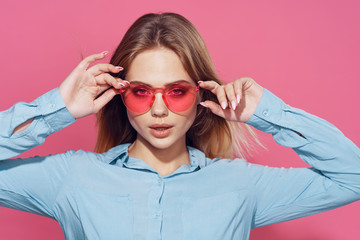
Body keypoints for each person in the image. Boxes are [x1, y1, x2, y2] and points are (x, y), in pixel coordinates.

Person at [0, 12, 359, 240]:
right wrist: (57, 109)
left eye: (176, 91)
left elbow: (353, 177)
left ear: (200, 94)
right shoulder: (73, 178)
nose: (159, 110)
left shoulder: (240, 184)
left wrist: (267, 113)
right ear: (120, 94)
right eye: (141, 91)